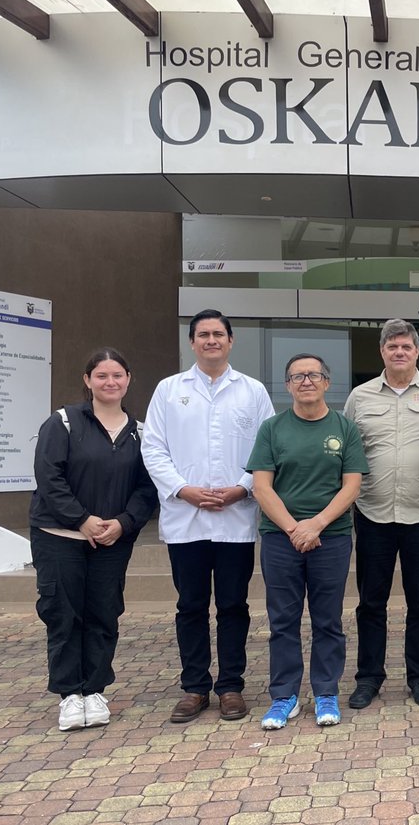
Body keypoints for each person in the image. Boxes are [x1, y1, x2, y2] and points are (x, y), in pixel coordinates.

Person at [142, 309, 275, 724]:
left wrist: (241, 487)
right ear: (192, 342)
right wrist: (184, 489)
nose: (211, 340)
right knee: (191, 606)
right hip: (187, 519)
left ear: (231, 341)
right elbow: (153, 448)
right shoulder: (169, 390)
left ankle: (231, 686)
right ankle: (195, 687)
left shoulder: (252, 392)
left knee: (234, 606)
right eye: (203, 334)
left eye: (219, 334)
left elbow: (268, 450)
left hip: (236, 517)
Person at [29, 348, 158, 731]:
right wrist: (82, 520)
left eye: (117, 375)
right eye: (101, 375)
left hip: (112, 540)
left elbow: (146, 488)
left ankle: (95, 690)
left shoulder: (140, 432)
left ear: (128, 380)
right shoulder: (64, 422)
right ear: (88, 380)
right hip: (60, 536)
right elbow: (49, 478)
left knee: (103, 612)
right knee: (64, 613)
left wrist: (123, 522)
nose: (110, 382)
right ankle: (70, 694)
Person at [248, 354, 368, 729]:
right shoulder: (272, 428)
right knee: (283, 619)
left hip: (329, 538)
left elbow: (352, 485)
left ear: (326, 382)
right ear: (287, 385)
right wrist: (292, 529)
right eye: (297, 376)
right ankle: (284, 697)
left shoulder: (344, 428)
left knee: (327, 619)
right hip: (280, 539)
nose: (306, 381)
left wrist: (315, 525)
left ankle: (326, 691)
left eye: (314, 374)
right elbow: (261, 485)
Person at [343, 319, 419, 710]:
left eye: (406, 346)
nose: (400, 352)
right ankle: (369, 677)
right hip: (372, 513)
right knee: (371, 601)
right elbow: (348, 452)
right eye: (392, 347)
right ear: (382, 352)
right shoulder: (360, 397)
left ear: (417, 352)